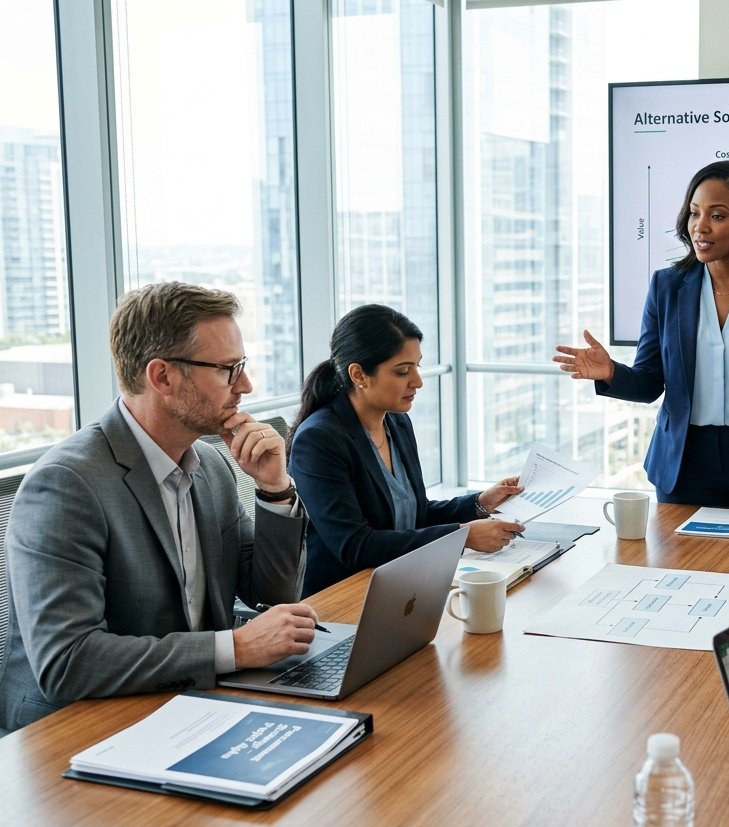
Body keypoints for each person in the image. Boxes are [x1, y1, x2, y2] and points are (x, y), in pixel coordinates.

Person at [0, 283, 311, 733]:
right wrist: (235, 649)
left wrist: (274, 489)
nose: (245, 386)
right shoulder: (66, 485)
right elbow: (68, 662)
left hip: (189, 705)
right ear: (162, 377)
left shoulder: (211, 465)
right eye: (228, 369)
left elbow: (270, 593)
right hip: (77, 732)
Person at [554, 161, 729, 510]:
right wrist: (611, 373)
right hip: (684, 463)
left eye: (718, 215)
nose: (700, 227)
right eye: (695, 214)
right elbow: (650, 382)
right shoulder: (666, 287)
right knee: (681, 565)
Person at [288, 304, 523, 597]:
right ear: (359, 375)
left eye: (417, 366)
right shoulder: (319, 440)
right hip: (342, 596)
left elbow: (414, 515)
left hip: (399, 583)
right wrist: (461, 536)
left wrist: (480, 503)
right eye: (402, 371)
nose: (418, 382)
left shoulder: (396, 423)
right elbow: (354, 545)